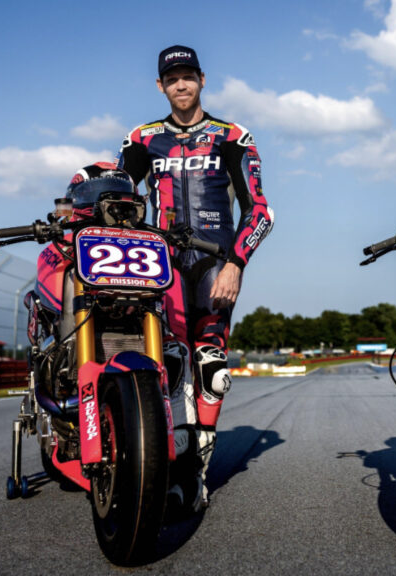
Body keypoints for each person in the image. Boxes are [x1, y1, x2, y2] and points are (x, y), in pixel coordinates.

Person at [116, 45, 273, 512]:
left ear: (202, 80)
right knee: (168, 364)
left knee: (210, 367)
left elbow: (260, 211)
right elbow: (118, 204)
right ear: (160, 86)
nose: (180, 85)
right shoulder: (141, 139)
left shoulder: (233, 136)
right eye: (172, 78)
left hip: (215, 265)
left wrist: (236, 264)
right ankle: (164, 465)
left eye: (187, 76)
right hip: (160, 266)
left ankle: (195, 474)